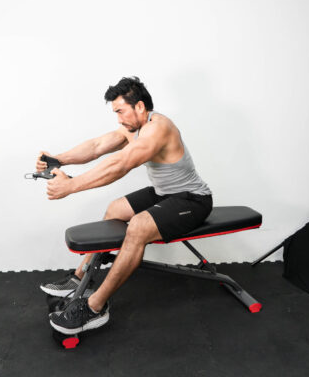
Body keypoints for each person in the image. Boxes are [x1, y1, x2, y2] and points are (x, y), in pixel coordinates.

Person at [39, 76, 212, 335]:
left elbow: (121, 164)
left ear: (139, 106)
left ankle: (95, 307)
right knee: (115, 209)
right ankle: (80, 278)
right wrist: (58, 159)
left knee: (138, 227)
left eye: (120, 111)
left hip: (193, 199)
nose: (119, 119)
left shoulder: (159, 128)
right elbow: (97, 146)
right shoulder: (133, 128)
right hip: (165, 194)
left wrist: (71, 186)